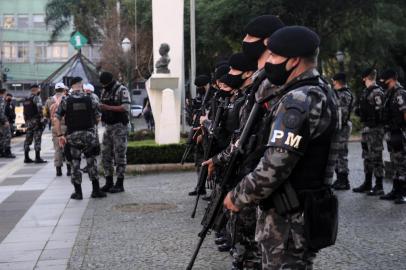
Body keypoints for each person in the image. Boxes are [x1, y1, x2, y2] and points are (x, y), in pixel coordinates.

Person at [224, 26, 339, 269]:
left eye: (275, 57)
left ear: (294, 60)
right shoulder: (320, 90)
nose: (269, 63)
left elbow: (274, 166)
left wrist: (237, 196)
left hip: (288, 222)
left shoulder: (298, 100)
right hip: (304, 213)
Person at [54, 76, 106, 200]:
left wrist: (60, 135)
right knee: (91, 162)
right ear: (81, 85)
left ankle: (78, 193)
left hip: (72, 136)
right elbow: (98, 117)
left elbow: (56, 119)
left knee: (75, 164)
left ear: (71, 86)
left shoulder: (66, 99)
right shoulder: (91, 98)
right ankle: (96, 190)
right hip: (89, 135)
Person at [353, 68, 385, 195]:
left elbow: (380, 112)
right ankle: (367, 183)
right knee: (367, 156)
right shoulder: (366, 92)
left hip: (375, 129)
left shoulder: (377, 92)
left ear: (366, 77)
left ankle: (379, 185)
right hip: (366, 129)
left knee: (376, 157)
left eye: (363, 78)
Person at [99, 72, 131, 193]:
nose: (103, 86)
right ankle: (109, 181)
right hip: (108, 126)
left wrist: (107, 107)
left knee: (120, 154)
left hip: (119, 127)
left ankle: (120, 182)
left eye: (105, 84)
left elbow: (125, 107)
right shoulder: (104, 91)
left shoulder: (122, 89)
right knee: (105, 154)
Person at [380, 69, 406, 204]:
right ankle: (396, 190)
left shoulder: (400, 93)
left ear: (392, 79)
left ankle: (403, 192)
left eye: (385, 81)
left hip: (399, 132)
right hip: (391, 132)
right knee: (395, 162)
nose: (383, 83)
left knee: (402, 163)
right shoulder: (389, 93)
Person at [331, 73, 353, 190]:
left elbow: (342, 114)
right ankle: (339, 178)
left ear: (337, 81)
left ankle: (344, 181)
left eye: (333, 81)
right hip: (338, 127)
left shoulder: (344, 94)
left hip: (342, 127)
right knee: (337, 154)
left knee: (341, 154)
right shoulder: (338, 93)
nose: (332, 83)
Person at [44, 82, 70, 176]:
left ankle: (58, 170)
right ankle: (69, 169)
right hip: (67, 125)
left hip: (55, 126)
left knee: (57, 148)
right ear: (64, 90)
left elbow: (45, 114)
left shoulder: (49, 100)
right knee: (68, 147)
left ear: (55, 90)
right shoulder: (67, 99)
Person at [23, 84, 47, 163]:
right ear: (37, 89)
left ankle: (26, 157)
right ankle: (37, 157)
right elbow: (40, 109)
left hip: (28, 122)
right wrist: (42, 119)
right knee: (37, 139)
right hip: (36, 121)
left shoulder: (26, 98)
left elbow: (24, 112)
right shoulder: (36, 97)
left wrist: (26, 121)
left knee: (28, 139)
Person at [0, 89, 15, 158]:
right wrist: (5, 121)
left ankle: (2, 152)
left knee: (2, 137)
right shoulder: (1, 100)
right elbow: (1, 112)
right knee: (7, 136)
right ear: (3, 93)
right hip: (2, 121)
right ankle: (7, 152)